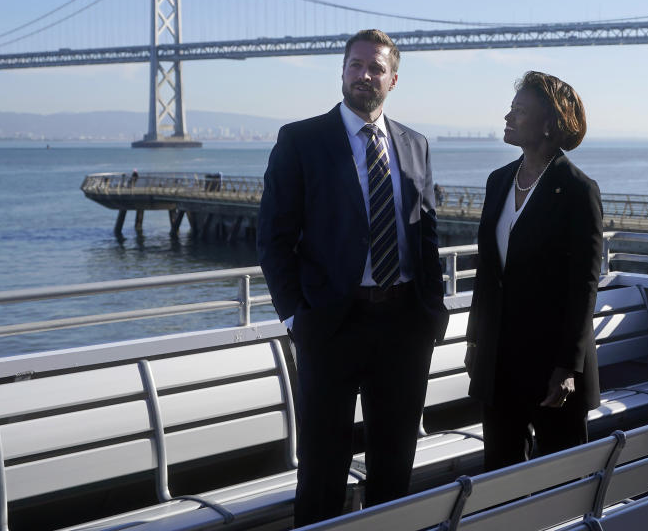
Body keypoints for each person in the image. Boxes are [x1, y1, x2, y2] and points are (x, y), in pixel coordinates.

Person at [256, 29, 448, 526]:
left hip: (404, 323)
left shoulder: (415, 144)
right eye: (356, 65)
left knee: (394, 464)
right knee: (322, 469)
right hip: (330, 325)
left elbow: (427, 238)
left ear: (394, 79)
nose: (365, 75)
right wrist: (297, 317)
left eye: (376, 68)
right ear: (342, 72)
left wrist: (433, 313)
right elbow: (273, 239)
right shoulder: (301, 141)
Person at [464, 70, 603, 471]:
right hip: (499, 362)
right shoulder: (498, 181)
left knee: (562, 479)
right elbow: (488, 274)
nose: (507, 117)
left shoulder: (578, 189)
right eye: (511, 108)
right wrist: (476, 342)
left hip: (551, 369)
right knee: (500, 473)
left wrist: (568, 367)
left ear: (549, 124)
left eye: (519, 110)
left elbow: (584, 286)